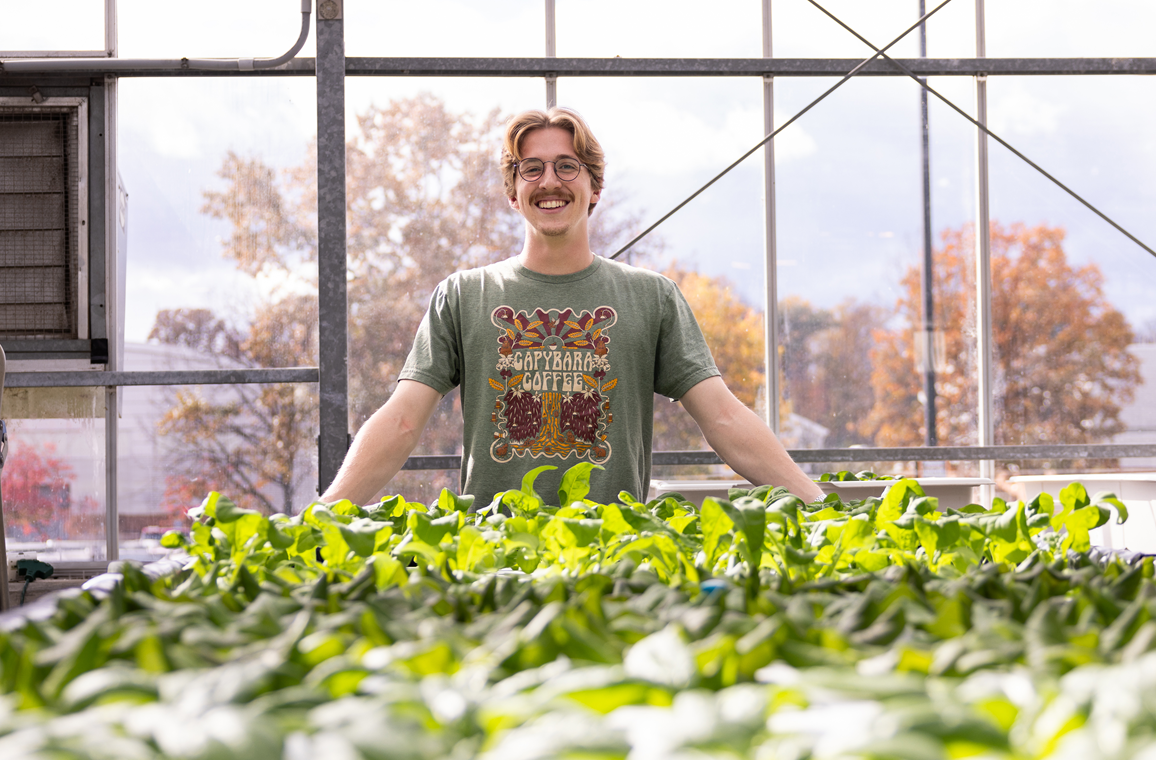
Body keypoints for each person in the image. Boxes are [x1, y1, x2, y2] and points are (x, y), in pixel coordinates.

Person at [321, 107, 824, 508]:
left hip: (614, 555)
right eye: (530, 169)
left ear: (595, 188)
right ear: (513, 193)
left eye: (567, 166)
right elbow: (402, 421)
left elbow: (724, 420)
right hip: (492, 560)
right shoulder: (464, 295)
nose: (549, 182)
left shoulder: (651, 297)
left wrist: (816, 501)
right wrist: (324, 513)